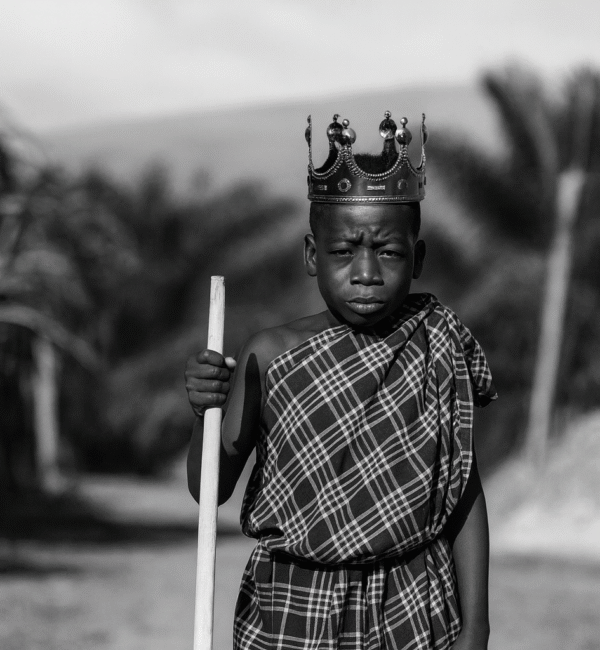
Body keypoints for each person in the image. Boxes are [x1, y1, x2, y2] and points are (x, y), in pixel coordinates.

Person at [185, 112, 497, 650]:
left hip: (412, 602)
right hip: (291, 606)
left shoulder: (437, 341)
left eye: (389, 252)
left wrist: (477, 627)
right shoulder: (271, 355)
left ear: (418, 258)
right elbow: (207, 489)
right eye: (344, 251)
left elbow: (462, 491)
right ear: (313, 255)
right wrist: (203, 412)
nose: (367, 274)